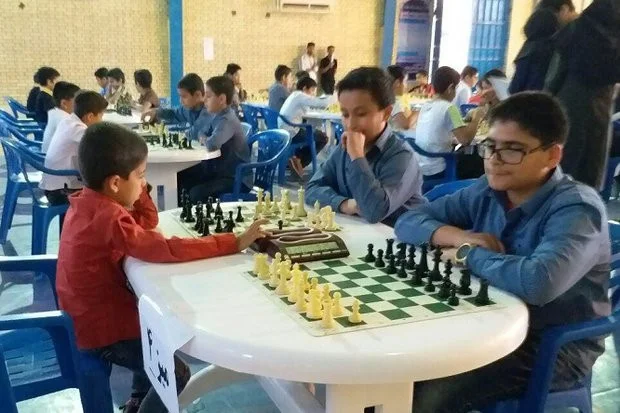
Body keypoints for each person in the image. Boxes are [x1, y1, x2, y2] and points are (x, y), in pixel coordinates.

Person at [395, 92, 610, 413]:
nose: (494, 159)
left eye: (512, 150)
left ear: (552, 155)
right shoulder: (487, 189)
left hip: (552, 344)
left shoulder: (576, 208)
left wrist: (467, 254)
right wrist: (458, 236)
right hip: (483, 317)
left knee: (425, 395)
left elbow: (538, 283)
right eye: (490, 146)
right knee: (399, 364)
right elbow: (408, 221)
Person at [56, 121, 268, 413]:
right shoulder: (108, 216)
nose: (144, 183)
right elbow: (164, 248)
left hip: (85, 316)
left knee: (151, 331)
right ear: (115, 183)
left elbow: (147, 222)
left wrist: (139, 189)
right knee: (176, 372)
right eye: (141, 176)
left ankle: (135, 401)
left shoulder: (89, 202)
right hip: (98, 331)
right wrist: (234, 241)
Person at [306, 67, 425, 226]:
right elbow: (312, 188)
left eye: (361, 114)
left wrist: (357, 156)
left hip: (396, 237)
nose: (351, 124)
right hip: (358, 232)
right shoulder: (344, 148)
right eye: (345, 114)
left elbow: (374, 211)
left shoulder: (402, 157)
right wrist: (346, 204)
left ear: (386, 114)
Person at [545, 0, 620, 189]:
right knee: (587, 175)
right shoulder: (613, 37)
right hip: (598, 110)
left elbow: (553, 77)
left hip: (566, 105)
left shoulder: (574, 30)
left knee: (560, 171)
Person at [184, 76, 251, 202]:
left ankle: (202, 214)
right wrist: (204, 138)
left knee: (196, 193)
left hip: (236, 178)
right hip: (221, 172)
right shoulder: (217, 116)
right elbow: (201, 133)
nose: (204, 100)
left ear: (221, 99)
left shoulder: (227, 119)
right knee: (183, 177)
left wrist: (204, 138)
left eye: (208, 96)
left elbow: (212, 144)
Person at [414, 66, 484, 178]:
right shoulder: (450, 108)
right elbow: (465, 140)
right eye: (456, 89)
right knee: (478, 163)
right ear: (451, 88)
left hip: (421, 164)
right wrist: (477, 118)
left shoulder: (426, 105)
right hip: (439, 167)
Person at [40, 91, 108, 205]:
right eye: (101, 116)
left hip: (54, 185)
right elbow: (103, 147)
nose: (102, 120)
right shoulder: (78, 129)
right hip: (60, 192)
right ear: (90, 117)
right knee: (107, 193)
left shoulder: (68, 121)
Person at [278, 76, 332, 178]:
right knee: (323, 137)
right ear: (304, 88)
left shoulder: (294, 95)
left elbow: (307, 109)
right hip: (292, 132)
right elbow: (320, 103)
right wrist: (333, 97)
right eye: (312, 90)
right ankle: (299, 161)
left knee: (314, 133)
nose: (313, 94)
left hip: (284, 129)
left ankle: (295, 160)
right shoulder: (300, 96)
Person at [142, 73, 212, 143]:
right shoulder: (188, 109)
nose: (180, 101)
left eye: (184, 96)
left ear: (197, 95)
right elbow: (173, 114)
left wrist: (182, 134)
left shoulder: (209, 111)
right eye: (180, 96)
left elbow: (195, 132)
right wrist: (155, 112)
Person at [508, 8, 559, 94]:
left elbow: (515, 87)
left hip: (528, 98)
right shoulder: (557, 47)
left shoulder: (529, 49)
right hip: (549, 97)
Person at [42, 81, 80, 153]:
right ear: (64, 103)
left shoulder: (55, 113)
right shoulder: (65, 120)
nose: (81, 104)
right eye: (77, 101)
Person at [386, 65, 418, 130]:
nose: (406, 85)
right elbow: (406, 125)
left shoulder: (387, 97)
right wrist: (418, 112)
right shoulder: (392, 102)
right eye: (405, 81)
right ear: (397, 83)